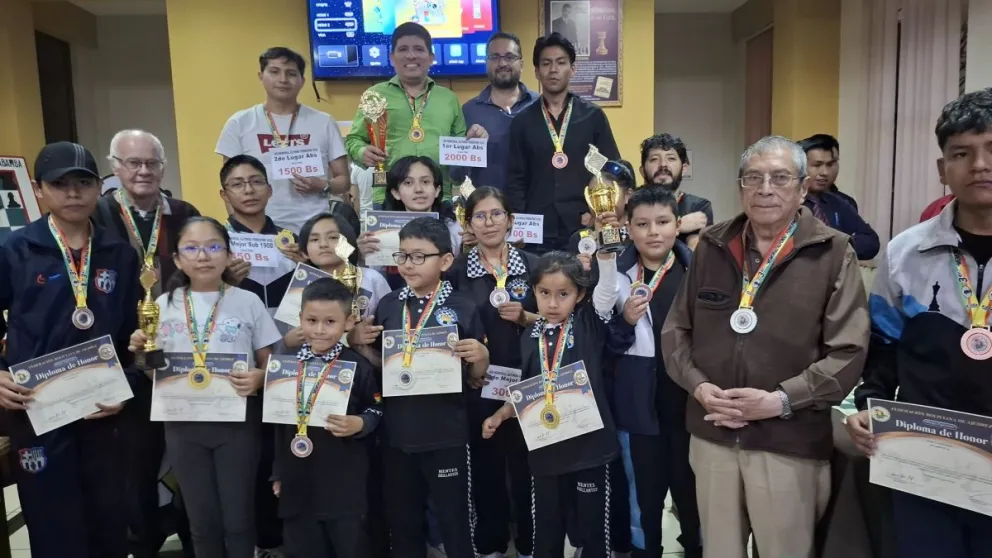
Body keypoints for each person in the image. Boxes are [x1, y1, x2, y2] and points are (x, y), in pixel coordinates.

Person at [661, 135, 870, 558]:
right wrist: (699, 388)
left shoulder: (832, 252)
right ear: (740, 185)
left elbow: (848, 352)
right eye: (753, 178)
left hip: (788, 440)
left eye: (779, 177)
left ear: (803, 186)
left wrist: (779, 401)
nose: (765, 188)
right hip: (713, 432)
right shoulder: (712, 247)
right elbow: (676, 332)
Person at [845, 88, 992, 558]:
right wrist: (868, 406)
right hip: (926, 454)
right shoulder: (906, 251)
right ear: (942, 169)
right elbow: (883, 344)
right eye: (962, 154)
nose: (980, 166)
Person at [0, 141, 141, 557]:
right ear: (40, 191)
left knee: (109, 520)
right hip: (38, 409)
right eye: (60, 184)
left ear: (100, 188)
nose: (74, 193)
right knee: (53, 523)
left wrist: (127, 384)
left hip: (103, 409)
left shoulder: (119, 253)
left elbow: (135, 334)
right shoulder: (15, 249)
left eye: (83, 182)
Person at [128, 217, 282, 557]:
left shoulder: (247, 301)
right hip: (183, 426)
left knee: (239, 518)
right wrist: (143, 355)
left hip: (237, 425)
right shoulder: (162, 305)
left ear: (228, 255)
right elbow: (156, 377)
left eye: (214, 246)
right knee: (201, 519)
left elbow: (269, 361)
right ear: (178, 259)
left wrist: (260, 377)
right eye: (192, 248)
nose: (204, 256)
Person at [89, 129, 201, 557]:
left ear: (163, 168)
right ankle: (143, 539)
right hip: (122, 347)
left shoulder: (185, 212)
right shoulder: (97, 214)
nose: (142, 171)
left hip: (180, 348)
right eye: (132, 163)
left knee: (188, 450)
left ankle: (195, 538)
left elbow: (203, 261)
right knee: (136, 456)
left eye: (151, 163)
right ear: (115, 167)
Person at [482, 240, 621, 558]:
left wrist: (606, 259)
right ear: (534, 291)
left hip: (590, 448)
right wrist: (501, 415)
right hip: (546, 449)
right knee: (546, 529)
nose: (553, 303)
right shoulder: (531, 337)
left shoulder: (588, 324)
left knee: (593, 531)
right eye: (544, 293)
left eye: (563, 294)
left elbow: (607, 294)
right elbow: (527, 389)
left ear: (580, 295)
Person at [373, 217, 490, 558]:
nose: (409, 264)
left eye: (419, 256)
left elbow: (475, 376)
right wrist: (360, 343)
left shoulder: (463, 306)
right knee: (403, 523)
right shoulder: (389, 305)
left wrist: (481, 356)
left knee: (455, 524)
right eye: (403, 256)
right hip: (398, 435)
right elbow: (384, 365)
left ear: (446, 260)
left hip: (446, 434)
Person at [447, 186, 539, 558]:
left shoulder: (534, 266)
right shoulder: (454, 273)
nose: (489, 222)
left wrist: (526, 316)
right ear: (468, 224)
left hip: (531, 382)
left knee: (528, 468)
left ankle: (533, 544)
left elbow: (558, 321)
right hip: (478, 383)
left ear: (511, 220)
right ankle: (490, 545)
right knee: (484, 468)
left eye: (496, 214)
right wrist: (471, 370)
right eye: (480, 216)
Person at [609, 187, 701, 558]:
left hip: (689, 406)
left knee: (691, 491)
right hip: (637, 406)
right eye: (642, 224)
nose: (653, 232)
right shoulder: (613, 275)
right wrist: (625, 322)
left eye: (663, 222)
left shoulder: (698, 270)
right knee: (643, 498)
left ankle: (695, 546)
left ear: (678, 225)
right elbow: (600, 343)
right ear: (628, 228)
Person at [218, 154, 299, 556]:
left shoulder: (291, 238)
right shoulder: (215, 246)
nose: (248, 190)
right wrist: (222, 281)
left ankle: (284, 539)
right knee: (247, 457)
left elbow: (336, 266)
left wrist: (307, 264)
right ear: (224, 194)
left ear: (269, 189)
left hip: (291, 358)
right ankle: (251, 541)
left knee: (283, 450)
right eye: (238, 183)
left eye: (255, 182)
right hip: (236, 370)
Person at [271, 277, 383, 558]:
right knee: (301, 547)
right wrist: (278, 472)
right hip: (297, 480)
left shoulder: (359, 366)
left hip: (344, 480)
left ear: (348, 322)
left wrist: (361, 423)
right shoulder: (285, 366)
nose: (319, 330)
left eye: (330, 322)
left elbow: (378, 409)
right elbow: (279, 426)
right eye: (311, 320)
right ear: (300, 320)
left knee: (350, 546)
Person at [346, 22, 487, 206]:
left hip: (438, 197)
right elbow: (353, 140)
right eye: (403, 49)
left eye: (419, 49)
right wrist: (362, 151)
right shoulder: (374, 96)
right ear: (391, 57)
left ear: (431, 57)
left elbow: (458, 156)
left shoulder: (448, 99)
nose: (411, 55)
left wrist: (472, 145)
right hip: (389, 195)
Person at [216, 47, 350, 233]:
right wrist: (241, 232)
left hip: (315, 230)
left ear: (302, 81)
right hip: (262, 229)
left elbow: (344, 181)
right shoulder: (239, 123)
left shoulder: (323, 122)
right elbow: (230, 185)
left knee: (345, 259)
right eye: (274, 72)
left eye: (291, 73)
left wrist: (323, 185)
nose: (283, 80)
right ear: (261, 76)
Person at [506, 33, 620, 253]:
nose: (553, 69)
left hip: (582, 223)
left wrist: (595, 211)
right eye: (546, 63)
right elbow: (515, 179)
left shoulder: (593, 117)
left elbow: (608, 170)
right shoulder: (522, 122)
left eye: (561, 62)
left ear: (573, 69)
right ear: (537, 71)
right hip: (535, 229)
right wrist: (519, 224)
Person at [453, 32, 539, 192]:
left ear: (521, 63)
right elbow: (456, 175)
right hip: (487, 211)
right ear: (486, 62)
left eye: (509, 56)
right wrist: (469, 149)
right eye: (494, 57)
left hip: (533, 209)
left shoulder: (541, 106)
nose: (502, 63)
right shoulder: (469, 111)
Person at [798, 134, 880, 260]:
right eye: (817, 165)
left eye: (831, 164)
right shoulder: (787, 203)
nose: (824, 172)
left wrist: (837, 245)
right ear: (800, 166)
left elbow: (870, 242)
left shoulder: (839, 203)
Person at [639, 133, 713, 249]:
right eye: (654, 159)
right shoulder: (632, 205)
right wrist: (679, 226)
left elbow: (694, 255)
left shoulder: (698, 206)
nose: (663, 165)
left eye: (671, 158)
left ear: (684, 169)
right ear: (642, 171)